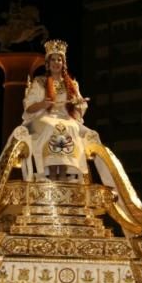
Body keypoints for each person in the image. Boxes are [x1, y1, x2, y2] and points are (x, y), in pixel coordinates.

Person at [22, 39, 97, 181]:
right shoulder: (40, 82)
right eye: (53, 60)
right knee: (53, 126)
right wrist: (43, 104)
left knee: (73, 128)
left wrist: (78, 103)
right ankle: (52, 172)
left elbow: (80, 106)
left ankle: (63, 173)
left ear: (63, 64)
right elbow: (29, 107)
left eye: (59, 60)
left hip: (66, 117)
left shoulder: (71, 83)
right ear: (48, 64)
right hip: (44, 116)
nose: (56, 63)